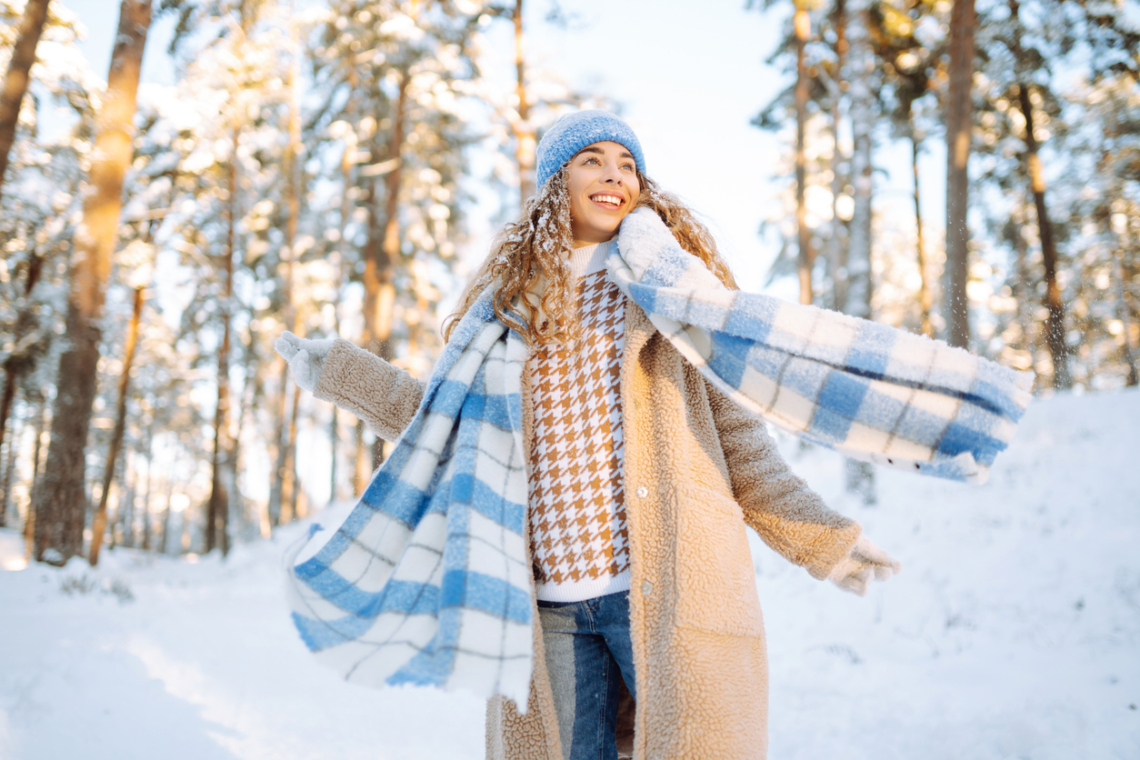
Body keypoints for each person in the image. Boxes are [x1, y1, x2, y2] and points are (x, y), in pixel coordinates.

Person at [276, 110, 900, 760]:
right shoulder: (505, 311)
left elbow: (741, 445)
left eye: (627, 164)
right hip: (547, 609)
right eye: (593, 161)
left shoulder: (669, 291)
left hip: (662, 593)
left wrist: (826, 541)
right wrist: (340, 373)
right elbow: (440, 427)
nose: (615, 176)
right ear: (556, 183)